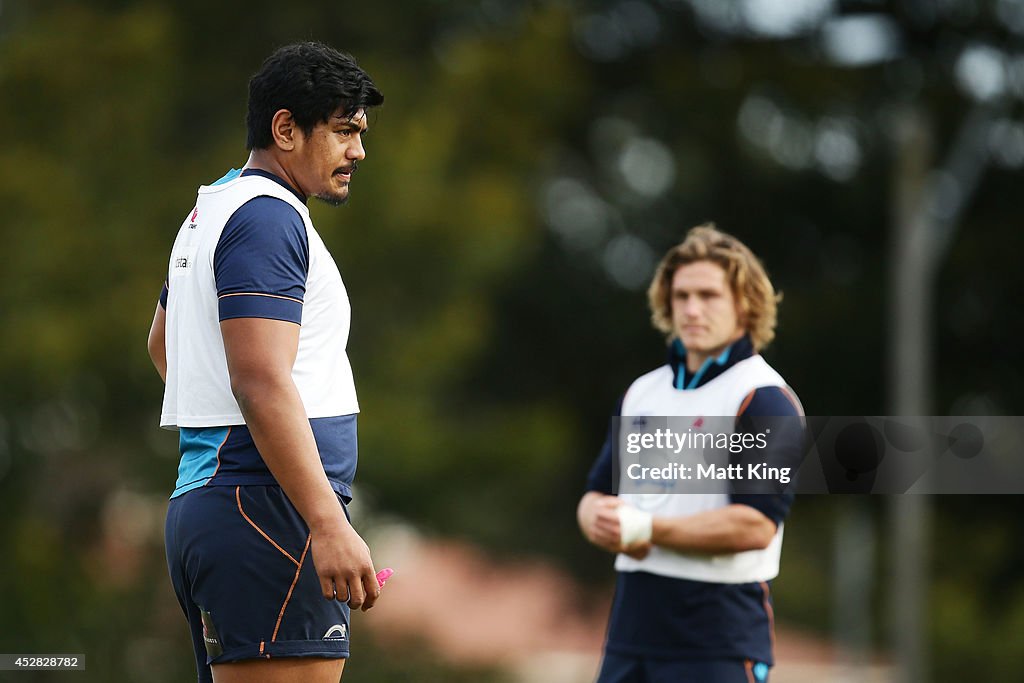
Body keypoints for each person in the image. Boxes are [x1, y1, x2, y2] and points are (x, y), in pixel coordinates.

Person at [147, 42, 384, 683]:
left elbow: (163, 346)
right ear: (285, 129)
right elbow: (259, 379)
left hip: (219, 504)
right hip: (265, 511)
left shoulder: (210, 209)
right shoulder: (268, 218)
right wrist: (326, 522)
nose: (358, 151)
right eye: (343, 131)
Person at [577, 225, 804, 683]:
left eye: (708, 295)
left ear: (745, 303)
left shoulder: (761, 397)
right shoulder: (643, 392)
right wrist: (598, 521)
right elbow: (594, 495)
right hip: (630, 631)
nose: (692, 309)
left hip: (717, 638)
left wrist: (646, 529)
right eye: (681, 296)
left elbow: (755, 525)